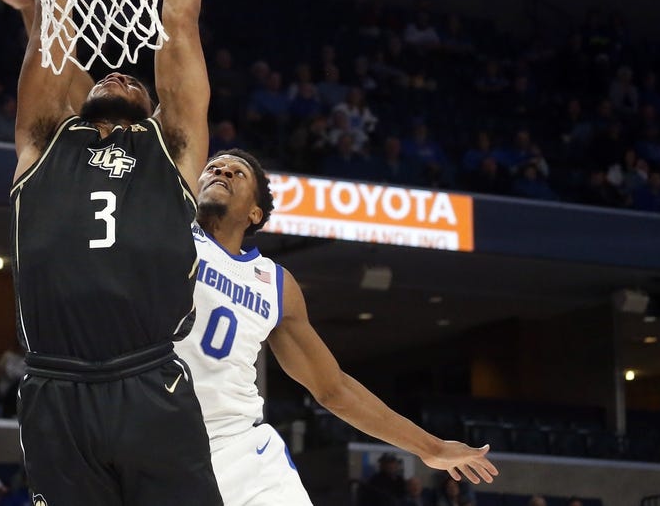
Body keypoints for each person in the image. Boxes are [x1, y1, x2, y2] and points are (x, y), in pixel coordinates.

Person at [0, 0, 221, 506]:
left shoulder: (173, 146)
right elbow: (59, 27)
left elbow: (178, 22)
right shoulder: (43, 142)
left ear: (152, 105)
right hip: (55, 386)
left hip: (148, 379)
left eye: (132, 77)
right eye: (106, 73)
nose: (119, 72)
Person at [177, 149, 498, 506]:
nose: (221, 171)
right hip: (158, 437)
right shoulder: (166, 233)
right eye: (214, 167)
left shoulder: (274, 284)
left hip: (240, 448)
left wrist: (431, 448)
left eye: (237, 173)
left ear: (255, 213)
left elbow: (333, 388)